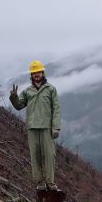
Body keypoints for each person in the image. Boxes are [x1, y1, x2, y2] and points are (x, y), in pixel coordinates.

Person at [10, 60, 61, 190]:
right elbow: (19, 106)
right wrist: (14, 97)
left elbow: (56, 109)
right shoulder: (28, 91)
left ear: (42, 73)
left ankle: (50, 182)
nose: (36, 74)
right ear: (31, 75)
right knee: (35, 155)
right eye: (34, 73)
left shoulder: (51, 89)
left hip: (46, 128)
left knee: (49, 155)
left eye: (38, 72)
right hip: (32, 128)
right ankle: (40, 183)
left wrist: (56, 127)